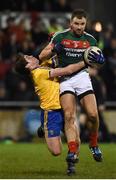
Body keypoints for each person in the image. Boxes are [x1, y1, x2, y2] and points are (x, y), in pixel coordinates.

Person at [38, 9, 105, 174]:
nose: (79, 27)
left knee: (93, 115)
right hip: (65, 78)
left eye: (82, 24)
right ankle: (72, 151)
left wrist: (100, 61)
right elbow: (41, 56)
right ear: (70, 23)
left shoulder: (90, 40)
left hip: (82, 77)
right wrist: (55, 49)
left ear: (85, 24)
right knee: (69, 115)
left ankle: (94, 143)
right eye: (76, 23)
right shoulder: (60, 36)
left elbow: (95, 59)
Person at [14, 53, 86, 160]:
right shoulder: (39, 73)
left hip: (64, 108)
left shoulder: (42, 65)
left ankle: (71, 164)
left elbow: (53, 55)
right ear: (28, 66)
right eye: (28, 58)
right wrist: (85, 62)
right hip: (51, 113)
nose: (32, 56)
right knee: (56, 151)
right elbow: (67, 70)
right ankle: (45, 127)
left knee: (76, 140)